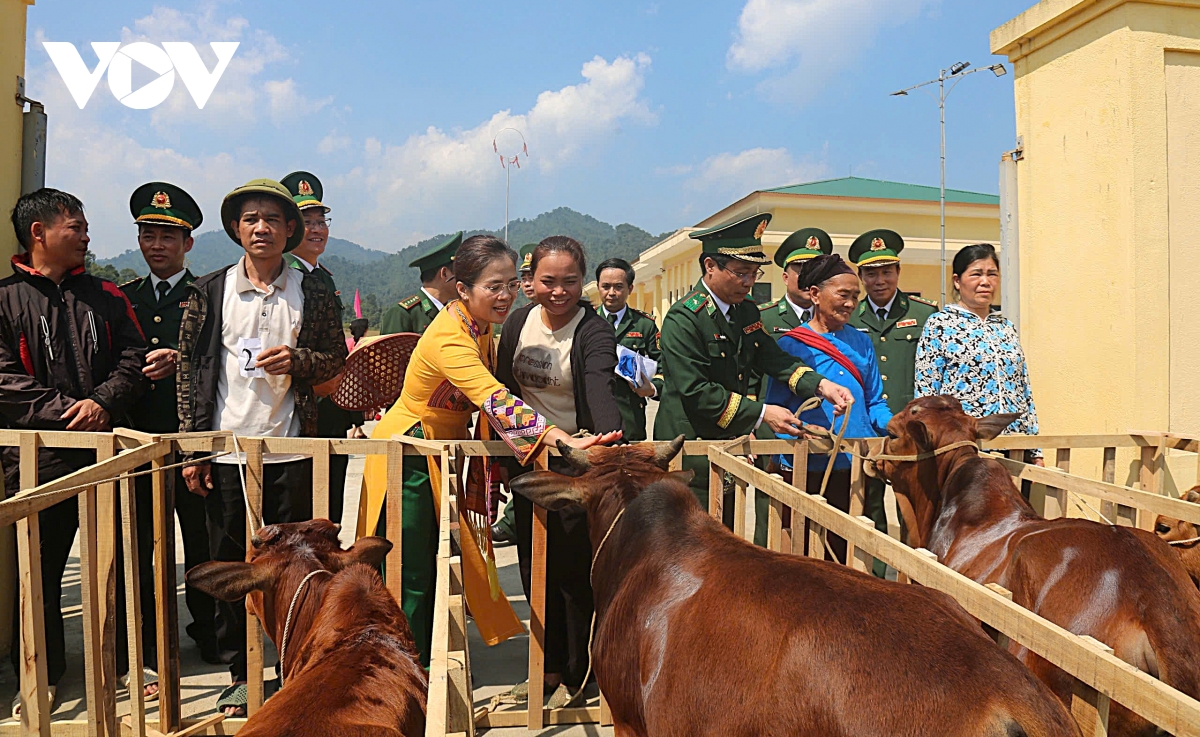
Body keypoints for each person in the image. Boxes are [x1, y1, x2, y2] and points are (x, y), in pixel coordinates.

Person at [358, 235, 617, 670]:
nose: (505, 296)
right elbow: (494, 398)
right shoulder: (450, 337)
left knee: (438, 565)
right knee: (411, 573)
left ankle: (423, 662)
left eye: (511, 285)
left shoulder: (480, 325)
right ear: (463, 289)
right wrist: (563, 441)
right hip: (410, 455)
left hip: (441, 454)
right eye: (493, 287)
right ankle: (402, 671)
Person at [176, 178, 347, 717]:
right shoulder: (208, 291)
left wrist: (298, 361)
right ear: (235, 229)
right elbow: (188, 370)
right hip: (227, 451)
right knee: (231, 561)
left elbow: (334, 361)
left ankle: (291, 666)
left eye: (273, 220)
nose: (262, 228)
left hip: (291, 449)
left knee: (295, 564)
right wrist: (192, 449)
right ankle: (238, 672)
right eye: (250, 219)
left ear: (290, 230)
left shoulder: (313, 290)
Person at [0, 188, 147, 716]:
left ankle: (130, 664)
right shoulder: (4, 299)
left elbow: (134, 357)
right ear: (38, 233)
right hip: (39, 460)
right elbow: (4, 381)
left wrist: (102, 402)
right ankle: (41, 676)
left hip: (107, 450)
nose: (86, 235)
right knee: (36, 571)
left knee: (121, 563)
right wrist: (70, 410)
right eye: (75, 226)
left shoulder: (106, 295)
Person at [652, 212, 853, 528]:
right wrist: (762, 414)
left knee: (726, 539)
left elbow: (773, 358)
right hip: (689, 452)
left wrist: (821, 386)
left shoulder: (744, 311)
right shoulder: (684, 319)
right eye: (741, 273)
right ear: (710, 266)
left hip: (729, 450)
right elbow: (696, 392)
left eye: (754, 274)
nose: (749, 283)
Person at [497, 237, 623, 707]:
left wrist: (607, 436)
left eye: (570, 281)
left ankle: (581, 672)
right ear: (531, 280)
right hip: (529, 459)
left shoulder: (592, 330)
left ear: (582, 281)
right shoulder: (518, 322)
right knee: (533, 567)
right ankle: (545, 669)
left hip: (577, 462)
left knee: (575, 573)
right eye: (548, 281)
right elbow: (502, 392)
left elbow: (598, 381)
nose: (558, 291)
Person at [120, 182, 219, 674]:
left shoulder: (206, 296)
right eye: (147, 233)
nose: (156, 244)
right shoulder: (123, 297)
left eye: (167, 235)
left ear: (188, 244)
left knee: (200, 543)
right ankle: (146, 643)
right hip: (137, 442)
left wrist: (183, 360)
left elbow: (221, 362)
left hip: (191, 444)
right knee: (138, 543)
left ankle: (211, 634)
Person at [765, 253, 892, 564]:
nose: (850, 304)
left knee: (853, 556)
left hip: (856, 467)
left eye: (855, 297)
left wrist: (896, 427)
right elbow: (777, 409)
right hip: (807, 467)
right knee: (805, 555)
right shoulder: (791, 345)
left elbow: (875, 402)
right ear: (815, 294)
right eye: (843, 295)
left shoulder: (862, 344)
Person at [846, 229, 937, 559]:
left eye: (887, 271)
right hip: (866, 431)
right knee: (866, 506)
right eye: (871, 273)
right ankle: (875, 573)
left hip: (911, 435)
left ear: (898, 272)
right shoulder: (849, 316)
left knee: (914, 509)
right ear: (861, 276)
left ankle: (916, 576)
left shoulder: (926, 315)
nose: (880, 280)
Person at [280, 171, 362, 525]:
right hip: (297, 409)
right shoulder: (285, 276)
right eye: (305, 222)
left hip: (329, 410)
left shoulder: (321, 276)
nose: (316, 229)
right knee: (299, 513)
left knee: (328, 512)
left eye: (321, 221)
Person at [915, 243, 1042, 466]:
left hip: (1016, 448)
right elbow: (926, 391)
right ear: (957, 280)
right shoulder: (940, 325)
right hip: (965, 448)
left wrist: (1035, 449)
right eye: (976, 274)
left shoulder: (1005, 327)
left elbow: (1024, 389)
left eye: (992, 274)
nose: (985, 282)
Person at [750, 227, 832, 545]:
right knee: (771, 518)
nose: (808, 275)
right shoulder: (763, 319)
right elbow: (751, 376)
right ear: (785, 276)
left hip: (824, 436)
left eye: (817, 268)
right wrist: (752, 424)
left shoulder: (837, 321)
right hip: (773, 433)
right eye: (800, 268)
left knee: (821, 521)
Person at [595, 257, 660, 442]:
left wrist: (652, 388)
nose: (611, 293)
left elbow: (664, 366)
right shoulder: (586, 322)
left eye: (618, 287)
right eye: (605, 286)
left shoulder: (644, 325)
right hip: (594, 419)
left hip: (631, 418)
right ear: (598, 287)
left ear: (630, 288)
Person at [379, 232, 461, 335]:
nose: (463, 280)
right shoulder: (402, 314)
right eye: (459, 273)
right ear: (444, 273)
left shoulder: (454, 313)